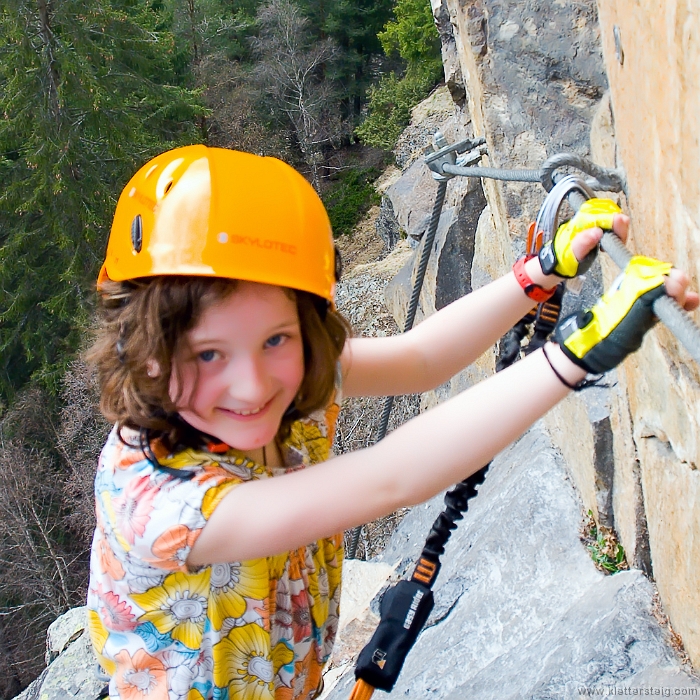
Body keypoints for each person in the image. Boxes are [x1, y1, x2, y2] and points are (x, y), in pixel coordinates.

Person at [86, 145, 697, 700]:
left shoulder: (292, 374)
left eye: (275, 338)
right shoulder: (156, 500)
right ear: (144, 347)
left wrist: (540, 273)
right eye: (207, 354)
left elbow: (419, 359)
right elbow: (390, 478)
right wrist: (575, 353)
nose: (252, 385)